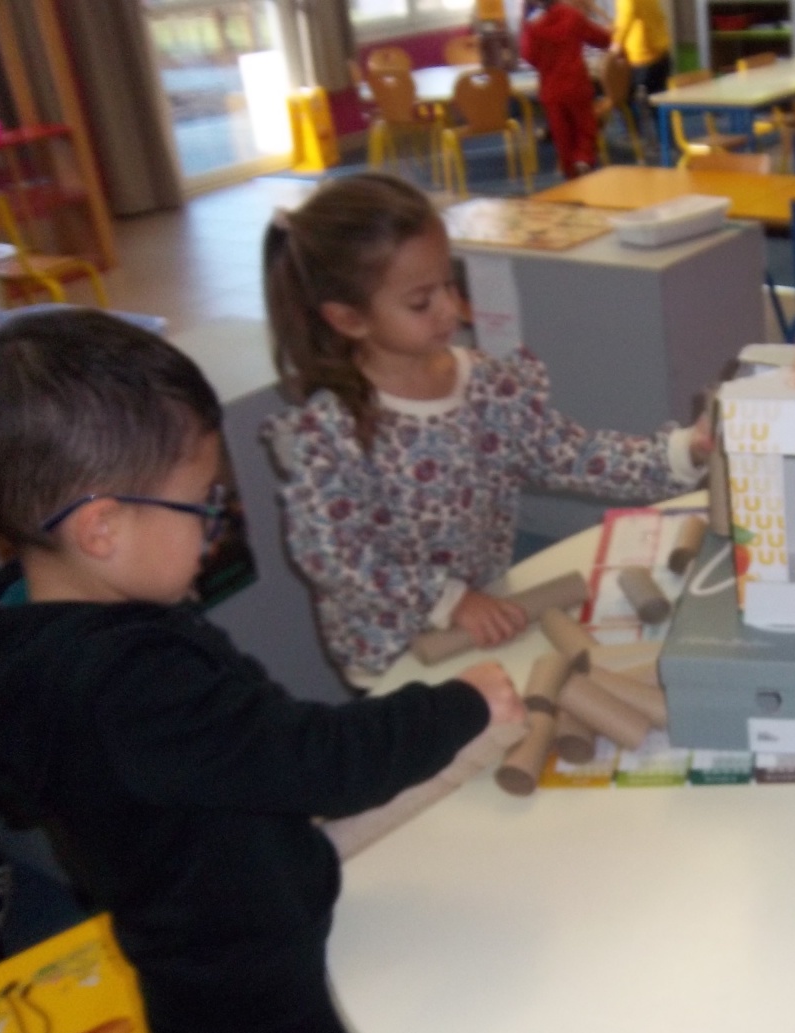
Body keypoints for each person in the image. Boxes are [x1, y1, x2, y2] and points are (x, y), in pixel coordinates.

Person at [0, 308, 525, 1033]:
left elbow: (248, 739)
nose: (215, 525)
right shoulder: (128, 687)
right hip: (246, 975)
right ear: (100, 529)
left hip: (224, 908)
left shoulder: (40, 616)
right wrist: (458, 707)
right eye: (201, 503)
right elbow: (317, 760)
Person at [262, 172, 709, 683]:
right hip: (397, 653)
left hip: (487, 610)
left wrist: (682, 450)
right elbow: (334, 556)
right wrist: (447, 600)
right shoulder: (329, 431)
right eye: (420, 301)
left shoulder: (486, 384)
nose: (450, 309)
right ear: (348, 319)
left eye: (449, 284)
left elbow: (575, 455)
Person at [520, 0, 612, 178]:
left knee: (563, 138)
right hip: (576, 83)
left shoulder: (533, 25)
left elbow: (529, 56)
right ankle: (584, 160)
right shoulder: (572, 15)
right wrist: (611, 32)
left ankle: (570, 174)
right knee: (585, 128)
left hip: (551, 89)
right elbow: (602, 39)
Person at [609, 0, 672, 138]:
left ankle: (634, 138)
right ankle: (666, 141)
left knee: (621, 96)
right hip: (660, 49)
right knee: (659, 101)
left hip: (642, 54)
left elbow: (627, 15)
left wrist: (615, 45)